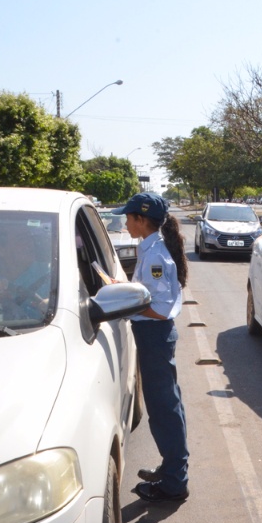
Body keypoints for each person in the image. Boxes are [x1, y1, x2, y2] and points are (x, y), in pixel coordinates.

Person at [112, 192, 191, 503]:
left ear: (141, 220)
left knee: (164, 411)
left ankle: (174, 483)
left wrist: (125, 306)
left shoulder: (156, 255)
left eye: (129, 218)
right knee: (167, 406)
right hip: (154, 336)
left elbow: (159, 308)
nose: (125, 222)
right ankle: (172, 468)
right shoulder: (150, 247)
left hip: (155, 335)